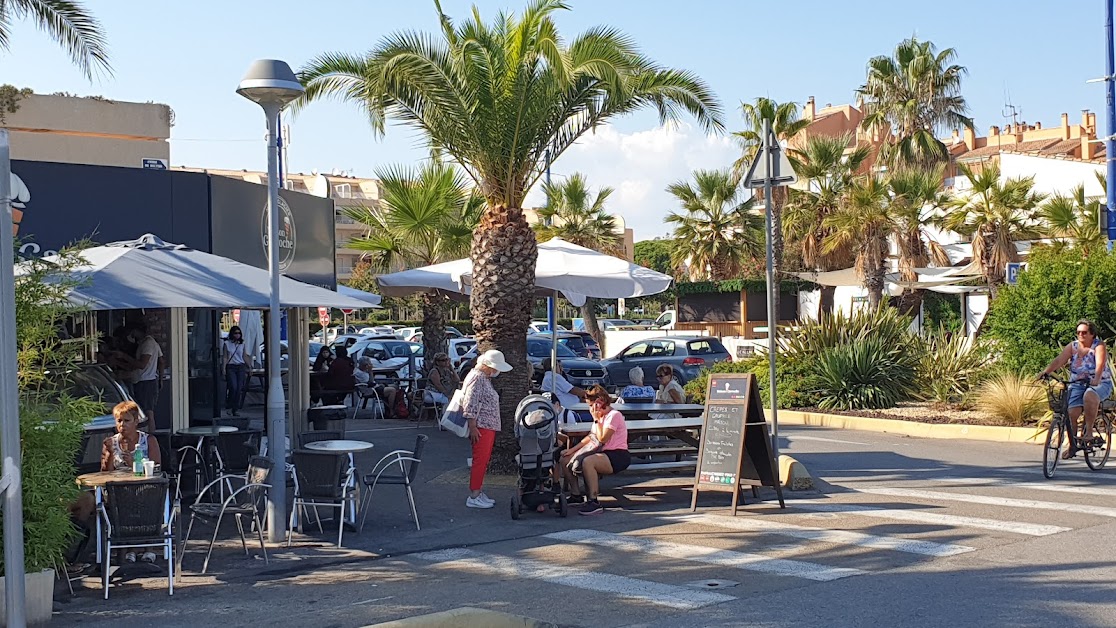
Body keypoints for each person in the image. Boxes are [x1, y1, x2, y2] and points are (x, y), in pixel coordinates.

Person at [1040, 319, 1113, 459]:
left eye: (1084, 332)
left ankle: (1089, 432)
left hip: (1100, 383)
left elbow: (1100, 364)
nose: (1081, 335)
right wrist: (1046, 372)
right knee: (1071, 414)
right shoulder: (1072, 346)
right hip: (1078, 383)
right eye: (1078, 332)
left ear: (1092, 334)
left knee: (1090, 395)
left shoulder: (1098, 346)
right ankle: (1073, 446)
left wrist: (1096, 378)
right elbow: (1059, 360)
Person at [100, 401, 163, 564]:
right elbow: (104, 474)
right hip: (119, 490)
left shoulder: (149, 440)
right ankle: (128, 549)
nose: (122, 425)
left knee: (146, 497)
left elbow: (157, 468)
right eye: (119, 421)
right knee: (120, 499)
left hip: (145, 487)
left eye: (126, 421)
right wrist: (110, 457)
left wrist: (133, 464)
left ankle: (148, 547)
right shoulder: (110, 443)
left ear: (136, 421)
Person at [560, 385, 629, 515]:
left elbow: (602, 438)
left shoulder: (613, 416)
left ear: (600, 402)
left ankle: (593, 500)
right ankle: (576, 494)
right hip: (601, 452)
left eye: (592, 405)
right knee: (564, 460)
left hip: (616, 454)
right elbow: (591, 437)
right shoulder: (600, 417)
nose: (590, 409)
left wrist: (596, 419)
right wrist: (572, 450)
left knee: (588, 462)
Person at [461, 349, 512, 509]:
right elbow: (470, 402)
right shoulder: (477, 378)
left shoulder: (481, 377)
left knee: (482, 461)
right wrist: (473, 425)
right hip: (482, 426)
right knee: (480, 460)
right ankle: (474, 494)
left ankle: (477, 491)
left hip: (485, 425)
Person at [127, 321, 163, 430]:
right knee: (147, 412)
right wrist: (161, 378)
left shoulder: (148, 344)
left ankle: (151, 439)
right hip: (149, 381)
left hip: (146, 381)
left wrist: (124, 357)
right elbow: (161, 361)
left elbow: (142, 364)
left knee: (147, 413)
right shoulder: (152, 342)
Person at [222, 325, 250, 417]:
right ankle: (230, 406)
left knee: (239, 389)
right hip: (231, 367)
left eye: (239, 333)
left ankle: (235, 409)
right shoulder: (227, 343)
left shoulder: (242, 344)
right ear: (232, 334)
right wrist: (224, 368)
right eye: (235, 333)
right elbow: (225, 357)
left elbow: (244, 355)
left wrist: (249, 366)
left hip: (240, 366)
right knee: (233, 387)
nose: (237, 335)